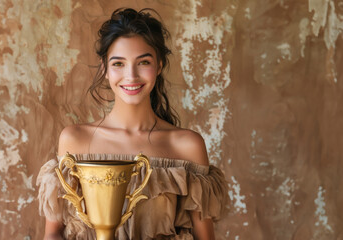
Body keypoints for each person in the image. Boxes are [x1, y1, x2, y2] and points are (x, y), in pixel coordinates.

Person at [37, 8, 229, 240]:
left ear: (158, 66)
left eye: (143, 62)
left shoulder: (187, 146)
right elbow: (53, 234)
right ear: (104, 68)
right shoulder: (75, 140)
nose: (131, 76)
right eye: (118, 63)